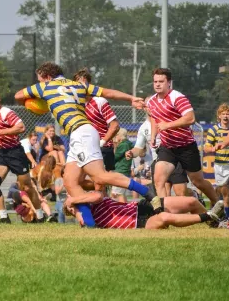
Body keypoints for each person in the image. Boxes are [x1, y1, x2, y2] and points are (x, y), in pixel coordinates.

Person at [14, 61, 161, 227]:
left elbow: (18, 96)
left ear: (47, 77)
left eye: (40, 80)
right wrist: (131, 98)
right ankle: (90, 225)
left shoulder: (46, 86)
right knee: (70, 181)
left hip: (81, 133)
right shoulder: (77, 85)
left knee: (100, 176)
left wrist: (34, 101)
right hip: (80, 133)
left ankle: (148, 194)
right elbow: (107, 92)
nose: (40, 83)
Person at [146, 68, 218, 205]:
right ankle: (164, 213)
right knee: (159, 180)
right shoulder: (151, 102)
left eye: (161, 81)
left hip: (186, 147)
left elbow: (190, 118)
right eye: (155, 81)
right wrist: (153, 136)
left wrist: (168, 125)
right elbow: (155, 119)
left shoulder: (177, 97)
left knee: (198, 181)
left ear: (169, 82)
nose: (157, 84)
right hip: (167, 147)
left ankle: (218, 204)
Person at [0, 87, 43, 223]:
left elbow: (21, 127)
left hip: (15, 152)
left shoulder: (6, 112)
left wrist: (0, 132)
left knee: (27, 187)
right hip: (1, 153)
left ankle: (40, 216)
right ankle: (4, 218)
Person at [126, 97, 192, 198]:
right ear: (144, 108)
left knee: (181, 194)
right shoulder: (143, 128)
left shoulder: (168, 120)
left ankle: (193, 195)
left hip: (175, 159)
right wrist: (131, 153)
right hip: (158, 162)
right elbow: (138, 149)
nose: (150, 108)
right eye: (148, 106)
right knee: (164, 198)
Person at [64, 191, 226, 230]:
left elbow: (98, 195)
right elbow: (86, 225)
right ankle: (208, 216)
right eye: (70, 209)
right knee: (164, 217)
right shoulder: (85, 217)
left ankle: (214, 224)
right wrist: (76, 210)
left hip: (141, 207)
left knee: (191, 201)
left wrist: (74, 200)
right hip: (139, 223)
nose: (74, 207)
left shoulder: (92, 199)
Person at [73, 68, 120, 171]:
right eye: (78, 84)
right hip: (84, 149)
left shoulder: (100, 101)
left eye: (84, 83)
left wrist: (102, 142)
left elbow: (115, 126)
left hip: (102, 149)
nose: (81, 87)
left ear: (89, 84)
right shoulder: (76, 105)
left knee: (100, 184)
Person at [205, 103, 229, 223]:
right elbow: (206, 148)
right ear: (219, 116)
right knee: (226, 195)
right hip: (220, 166)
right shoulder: (214, 130)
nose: (225, 116)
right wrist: (213, 148)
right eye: (223, 114)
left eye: (228, 114)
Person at [111, 128, 134, 202]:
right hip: (124, 170)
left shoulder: (123, 145)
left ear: (120, 136)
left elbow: (114, 157)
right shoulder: (128, 143)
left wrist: (115, 146)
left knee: (115, 194)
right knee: (121, 193)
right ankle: (126, 209)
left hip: (121, 170)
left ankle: (121, 211)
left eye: (116, 135)